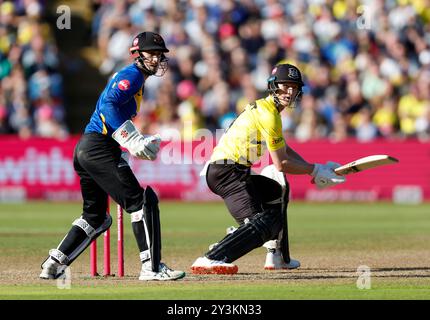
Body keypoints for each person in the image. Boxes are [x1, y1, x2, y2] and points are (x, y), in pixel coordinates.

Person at [40, 31, 185, 281]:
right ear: (137, 55)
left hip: (87, 148)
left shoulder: (136, 78)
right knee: (141, 201)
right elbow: (109, 104)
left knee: (96, 217)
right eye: (152, 53)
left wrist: (127, 140)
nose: (157, 58)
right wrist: (131, 138)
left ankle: (54, 263)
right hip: (99, 147)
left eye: (160, 54)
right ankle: (151, 268)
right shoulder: (132, 75)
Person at [191, 63, 346, 274]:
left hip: (233, 171)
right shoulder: (269, 114)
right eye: (285, 85)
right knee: (264, 224)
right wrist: (315, 171)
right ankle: (212, 257)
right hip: (226, 172)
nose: (289, 91)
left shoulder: (268, 110)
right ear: (273, 86)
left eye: (294, 86)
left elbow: (284, 149)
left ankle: (278, 257)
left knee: (275, 192)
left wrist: (316, 168)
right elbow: (281, 163)